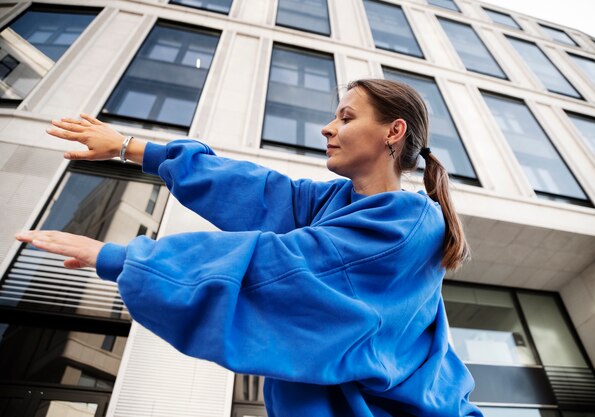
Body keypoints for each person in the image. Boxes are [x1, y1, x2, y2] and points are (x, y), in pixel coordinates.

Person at [15, 79, 482, 417]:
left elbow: (282, 268)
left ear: (392, 132)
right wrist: (131, 147)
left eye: (346, 117)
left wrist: (121, 258)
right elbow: (256, 190)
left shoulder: (406, 223)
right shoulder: (333, 202)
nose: (327, 127)